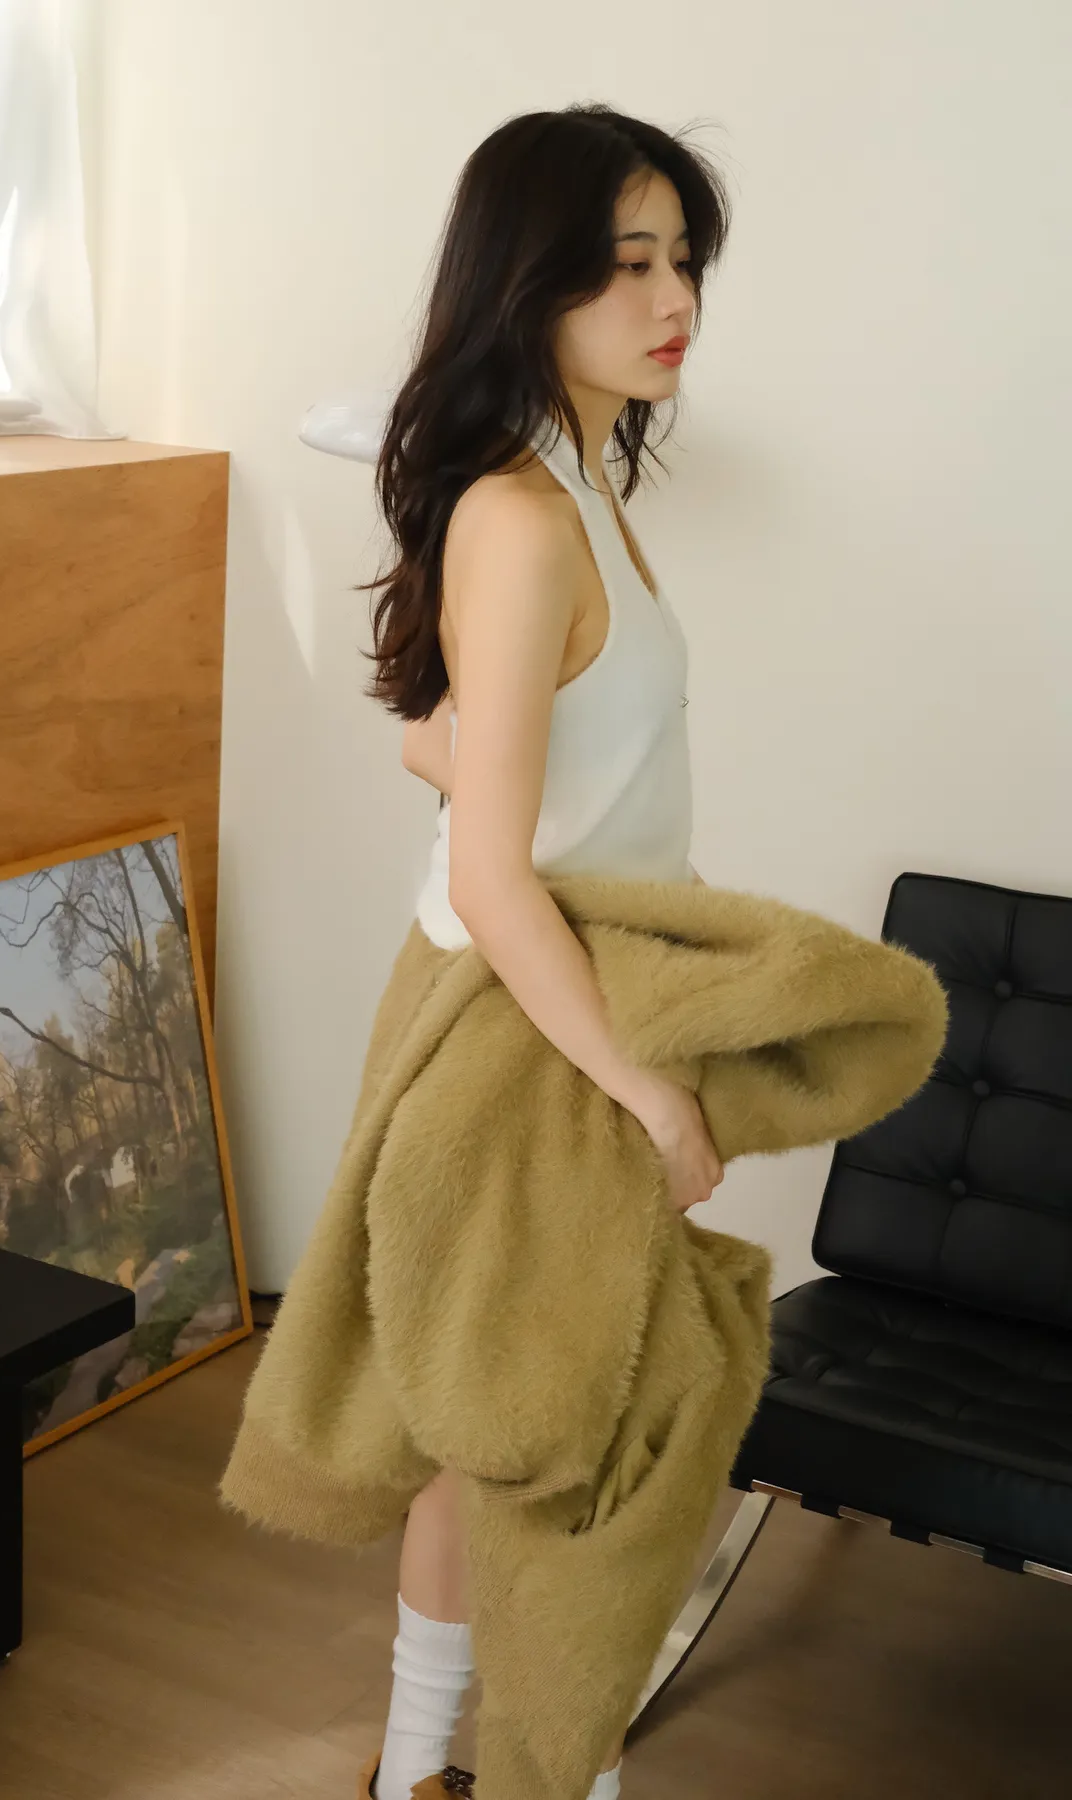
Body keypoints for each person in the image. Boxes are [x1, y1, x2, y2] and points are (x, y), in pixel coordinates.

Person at [353, 100, 733, 1800]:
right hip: (521, 1028)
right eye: (630, 262)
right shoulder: (521, 514)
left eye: (684, 260)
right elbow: (498, 876)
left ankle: (420, 1775)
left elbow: (457, 745)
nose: (675, 298)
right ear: (532, 281)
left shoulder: (584, 482)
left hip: (563, 1000)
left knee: (518, 1435)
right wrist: (649, 1095)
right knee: (545, 1443)